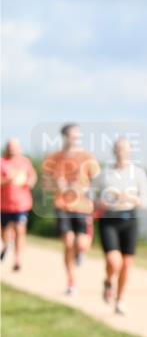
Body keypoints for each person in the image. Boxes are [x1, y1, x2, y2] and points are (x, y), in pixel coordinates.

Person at [94, 137, 147, 314]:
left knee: (127, 263)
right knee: (114, 260)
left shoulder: (138, 174)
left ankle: (120, 299)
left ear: (130, 153)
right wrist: (100, 202)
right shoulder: (104, 174)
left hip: (129, 219)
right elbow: (90, 194)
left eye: (126, 150)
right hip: (109, 220)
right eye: (119, 149)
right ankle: (108, 280)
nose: (122, 153)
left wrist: (135, 200)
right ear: (115, 152)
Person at [41, 123, 100, 295]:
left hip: (83, 206)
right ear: (64, 137)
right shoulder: (54, 158)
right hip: (62, 205)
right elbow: (45, 183)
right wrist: (56, 185)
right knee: (68, 242)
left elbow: (98, 181)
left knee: (81, 244)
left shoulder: (87, 157)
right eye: (72, 136)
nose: (75, 139)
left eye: (77, 136)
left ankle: (81, 252)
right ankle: (71, 282)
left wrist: (83, 190)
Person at [1, 138, 38, 272]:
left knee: (20, 230)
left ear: (19, 148)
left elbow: (33, 175)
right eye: (10, 146)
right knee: (4, 232)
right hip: (4, 204)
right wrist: (8, 179)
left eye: (15, 147)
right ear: (6, 148)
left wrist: (30, 181)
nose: (12, 149)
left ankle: (18, 259)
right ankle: (6, 245)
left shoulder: (25, 162)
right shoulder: (2, 162)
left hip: (22, 204)